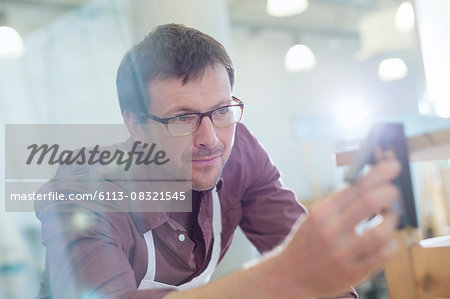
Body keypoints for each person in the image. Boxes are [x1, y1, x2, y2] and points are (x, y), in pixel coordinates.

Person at [35, 24, 401, 299]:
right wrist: (284, 274)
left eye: (222, 110)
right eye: (182, 118)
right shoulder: (81, 197)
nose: (210, 139)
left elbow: (317, 269)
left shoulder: (238, 150)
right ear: (137, 126)